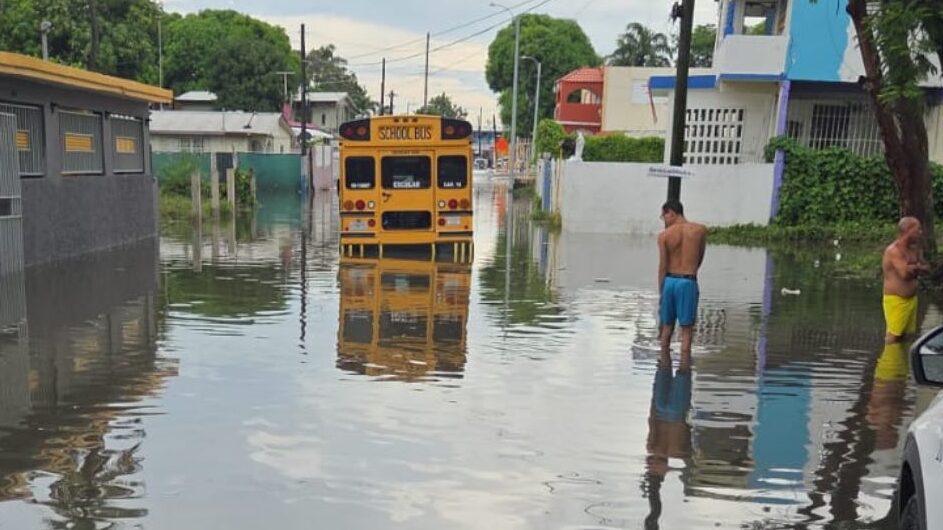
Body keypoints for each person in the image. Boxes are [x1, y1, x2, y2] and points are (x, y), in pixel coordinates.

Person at [657, 199, 707, 369]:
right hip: (687, 281)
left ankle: (663, 365)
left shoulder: (664, 236)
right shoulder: (700, 231)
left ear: (671, 212)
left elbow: (663, 266)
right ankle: (684, 370)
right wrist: (689, 271)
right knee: (686, 330)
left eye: (664, 216)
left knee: (666, 327)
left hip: (670, 281)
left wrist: (661, 291)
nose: (664, 221)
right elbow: (700, 258)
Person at [882, 217, 930, 344]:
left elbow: (927, 268)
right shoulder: (893, 251)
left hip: (911, 300)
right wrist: (917, 267)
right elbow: (904, 274)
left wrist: (914, 267)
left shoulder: (914, 249)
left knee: (906, 337)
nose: (920, 232)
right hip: (896, 300)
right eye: (918, 229)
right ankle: (888, 362)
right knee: (893, 336)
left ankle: (901, 362)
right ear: (908, 230)